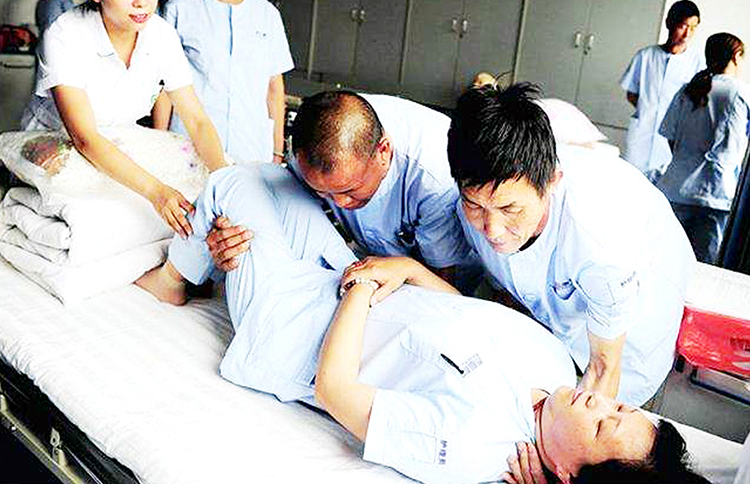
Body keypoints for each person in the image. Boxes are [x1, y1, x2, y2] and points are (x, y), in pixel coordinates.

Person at [135, 163, 708, 484]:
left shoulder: (476, 444)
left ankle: (172, 280)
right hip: (349, 282)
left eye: (602, 426)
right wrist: (405, 270)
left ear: (564, 473)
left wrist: (361, 289)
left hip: (292, 329)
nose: (599, 401)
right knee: (276, 178)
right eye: (620, 408)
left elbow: (335, 391)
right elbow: (460, 310)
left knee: (230, 185)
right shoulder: (557, 364)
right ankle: (211, 262)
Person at [439, 82, 693, 407]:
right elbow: (508, 287)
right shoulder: (478, 193)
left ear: (551, 183)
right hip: (558, 323)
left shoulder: (598, 243)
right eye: (475, 205)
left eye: (509, 209)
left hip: (628, 344)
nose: (492, 230)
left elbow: (603, 369)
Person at [21, 0, 227, 237]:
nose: (142, 1)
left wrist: (225, 186)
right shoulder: (65, 34)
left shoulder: (162, 35)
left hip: (116, 143)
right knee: (85, 227)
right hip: (58, 143)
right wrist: (157, 192)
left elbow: (197, 121)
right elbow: (84, 138)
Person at [209, 91, 478, 290]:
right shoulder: (310, 149)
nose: (340, 203)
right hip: (371, 256)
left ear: (383, 151)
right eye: (324, 193)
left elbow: (440, 283)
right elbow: (281, 208)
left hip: (448, 272)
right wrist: (234, 238)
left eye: (350, 190)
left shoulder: (434, 177)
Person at [155, 0, 293, 165]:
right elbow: (164, 85)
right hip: (190, 145)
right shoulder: (180, 8)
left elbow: (274, 89)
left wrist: (277, 151)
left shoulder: (267, 14)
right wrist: (159, 145)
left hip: (251, 147)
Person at [657, 33, 749, 265]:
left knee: (669, 262)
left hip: (676, 189)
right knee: (705, 269)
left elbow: (671, 138)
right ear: (736, 56)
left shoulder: (688, 89)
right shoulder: (740, 92)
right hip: (715, 195)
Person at [620, 0, 704, 181]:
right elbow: (631, 93)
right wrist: (647, 109)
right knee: (630, 181)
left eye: (693, 28)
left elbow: (697, 104)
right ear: (669, 23)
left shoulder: (697, 63)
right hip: (642, 132)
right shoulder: (645, 56)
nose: (687, 34)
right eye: (683, 26)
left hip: (672, 139)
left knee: (663, 184)